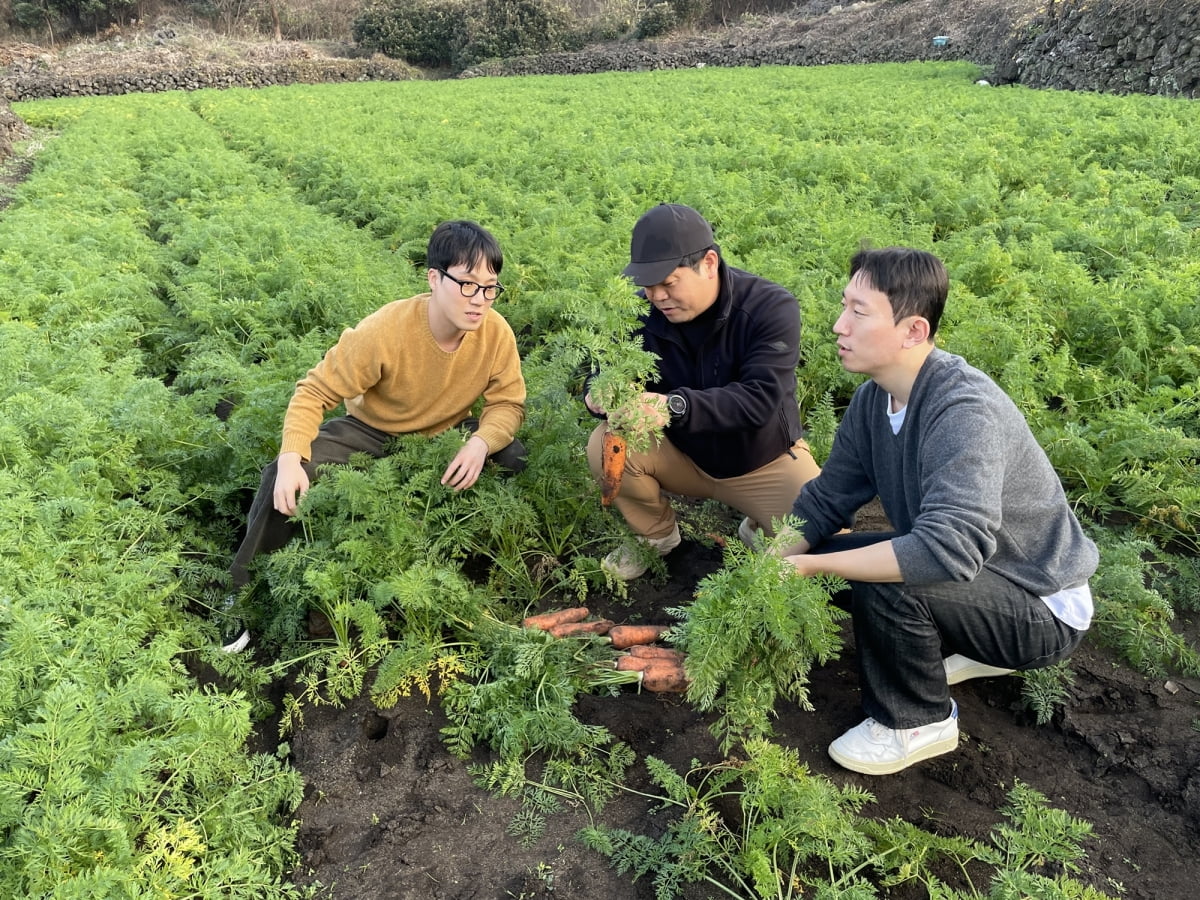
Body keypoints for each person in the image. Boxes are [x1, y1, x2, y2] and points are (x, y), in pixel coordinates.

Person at [780, 246, 1097, 775]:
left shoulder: (963, 409)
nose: (838, 325)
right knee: (835, 553)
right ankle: (966, 642)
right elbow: (825, 499)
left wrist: (811, 565)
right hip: (982, 576)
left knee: (885, 579)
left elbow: (946, 548)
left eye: (859, 312)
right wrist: (773, 560)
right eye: (843, 306)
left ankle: (918, 722)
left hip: (1043, 606)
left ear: (913, 331)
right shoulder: (872, 401)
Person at [221, 220, 527, 651]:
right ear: (434, 278)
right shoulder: (386, 331)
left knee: (512, 455)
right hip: (370, 431)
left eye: (490, 288)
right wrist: (291, 458)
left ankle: (473, 562)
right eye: (468, 285)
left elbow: (508, 404)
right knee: (283, 476)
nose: (480, 301)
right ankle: (243, 593)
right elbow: (314, 391)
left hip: (445, 435)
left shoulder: (496, 333)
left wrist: (479, 442)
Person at [584, 203, 821, 580]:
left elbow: (759, 399)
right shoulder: (637, 309)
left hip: (762, 462)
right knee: (606, 443)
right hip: (681, 454)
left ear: (709, 263)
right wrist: (597, 392)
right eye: (648, 285)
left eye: (668, 282)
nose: (656, 296)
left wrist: (672, 406)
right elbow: (600, 367)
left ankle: (756, 525)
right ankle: (656, 539)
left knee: (823, 545)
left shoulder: (769, 307)